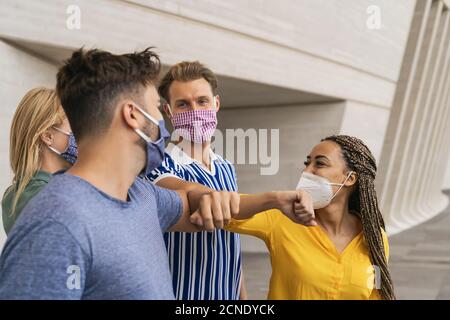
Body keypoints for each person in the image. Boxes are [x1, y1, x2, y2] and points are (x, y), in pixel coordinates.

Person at [0, 48, 313, 299]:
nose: (165, 126)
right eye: (157, 107)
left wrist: (268, 199)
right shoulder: (55, 223)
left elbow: (194, 204)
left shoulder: (142, 196)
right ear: (133, 116)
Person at [225, 135, 395, 300]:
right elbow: (225, 210)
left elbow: (376, 293)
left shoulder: (376, 238)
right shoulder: (282, 218)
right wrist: (274, 198)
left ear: (349, 178)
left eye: (319, 163)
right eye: (307, 163)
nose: (306, 171)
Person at [147, 61, 246, 299]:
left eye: (202, 101)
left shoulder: (226, 167)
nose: (195, 112)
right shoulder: (158, 166)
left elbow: (231, 242)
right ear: (169, 112)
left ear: (216, 104)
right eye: (183, 104)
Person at [2, 87, 77, 234]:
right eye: (77, 128)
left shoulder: (18, 193)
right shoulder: (45, 195)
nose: (85, 137)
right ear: (48, 136)